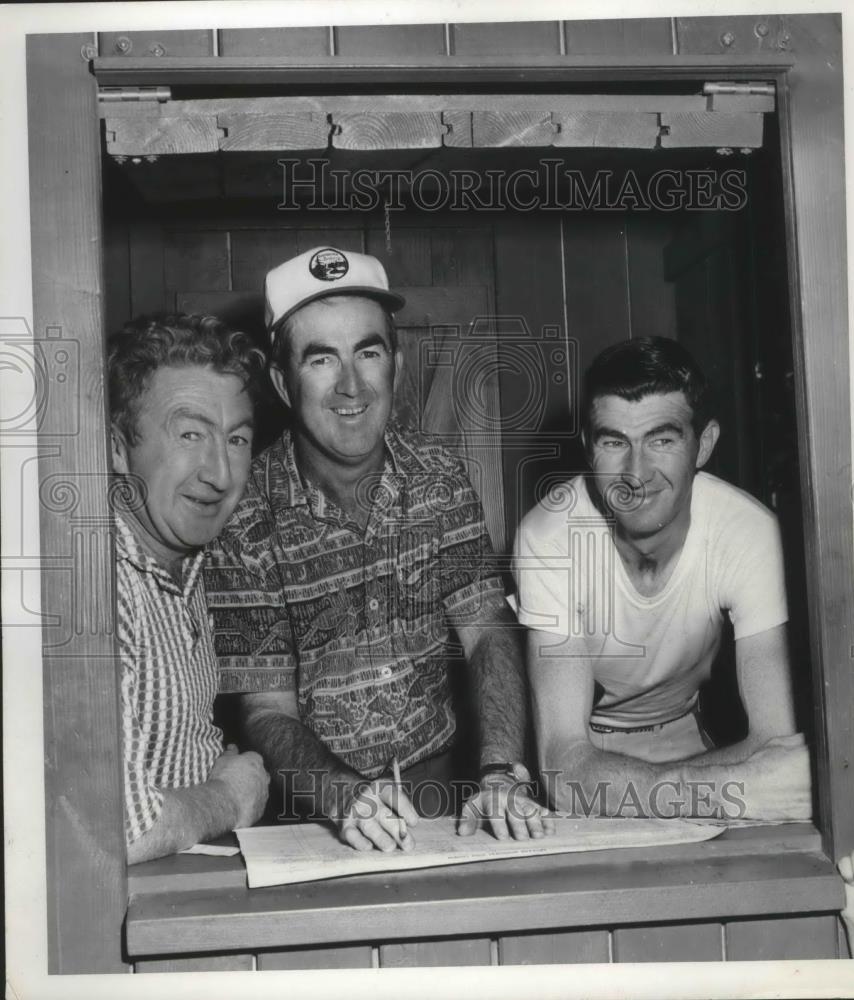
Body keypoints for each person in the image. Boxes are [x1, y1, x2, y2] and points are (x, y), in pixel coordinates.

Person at [205, 245, 553, 852]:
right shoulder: (242, 520)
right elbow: (265, 711)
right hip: (315, 812)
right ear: (283, 383)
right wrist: (344, 796)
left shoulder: (440, 479)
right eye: (321, 360)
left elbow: (488, 633)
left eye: (368, 351)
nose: (351, 386)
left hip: (450, 792)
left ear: (397, 360)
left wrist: (500, 771)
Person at [514, 336, 813, 821]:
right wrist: (727, 791)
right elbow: (563, 769)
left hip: (688, 741)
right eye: (615, 442)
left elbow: (774, 747)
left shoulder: (749, 532)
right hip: (592, 749)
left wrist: (673, 788)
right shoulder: (548, 536)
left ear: (704, 444)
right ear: (590, 448)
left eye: (662, 440)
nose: (636, 473)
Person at [108, 314, 270, 864]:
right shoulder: (95, 588)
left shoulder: (193, 560)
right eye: (190, 433)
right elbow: (122, 829)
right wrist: (230, 795)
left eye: (237, 439)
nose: (220, 473)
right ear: (117, 448)